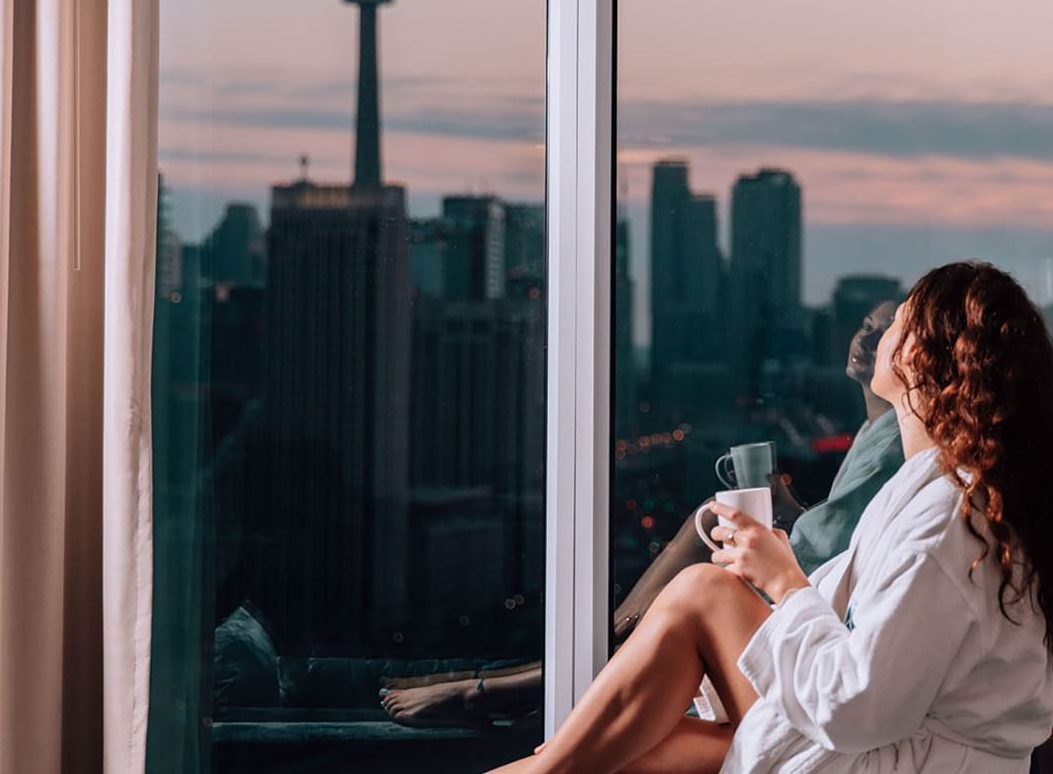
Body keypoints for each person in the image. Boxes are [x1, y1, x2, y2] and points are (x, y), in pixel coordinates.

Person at [494, 261, 1053, 773]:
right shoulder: (950, 497)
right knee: (625, 749)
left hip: (889, 753)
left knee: (700, 595)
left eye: (898, 322)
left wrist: (784, 579)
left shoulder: (946, 524)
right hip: (898, 743)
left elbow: (858, 706)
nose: (880, 334)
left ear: (921, 357)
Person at [379, 302, 909, 727]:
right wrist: (788, 509)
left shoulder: (891, 442)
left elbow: (822, 552)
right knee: (708, 521)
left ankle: (519, 684)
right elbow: (844, 531)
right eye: (865, 324)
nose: (865, 338)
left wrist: (781, 522)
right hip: (808, 591)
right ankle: (538, 675)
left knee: (708, 527)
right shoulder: (876, 429)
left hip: (808, 609)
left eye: (883, 332)